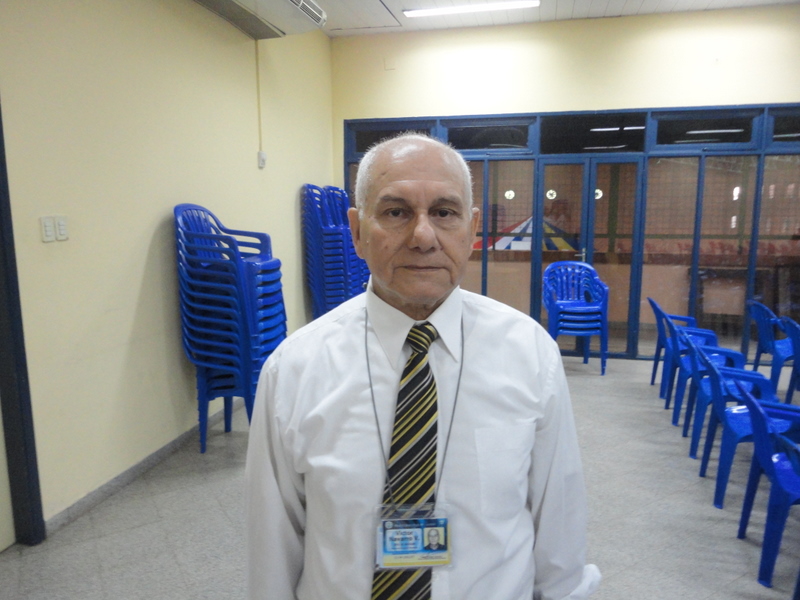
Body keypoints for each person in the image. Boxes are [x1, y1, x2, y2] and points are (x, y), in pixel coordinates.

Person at [245, 133, 601, 600]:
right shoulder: (294, 370)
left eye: (444, 212)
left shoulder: (529, 353)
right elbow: (272, 549)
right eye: (396, 212)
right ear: (357, 231)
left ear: (472, 229)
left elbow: (559, 527)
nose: (423, 237)